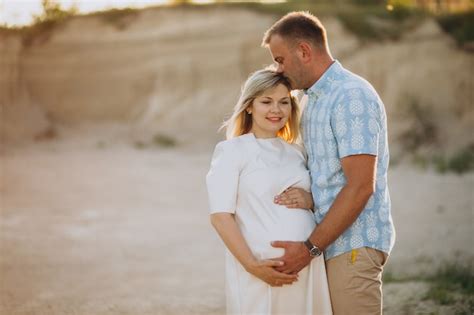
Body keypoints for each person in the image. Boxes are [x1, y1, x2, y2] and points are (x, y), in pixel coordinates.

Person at [261, 12, 396, 315]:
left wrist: (308, 249)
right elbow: (329, 177)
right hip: (328, 244)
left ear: (304, 52)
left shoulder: (350, 96)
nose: (277, 69)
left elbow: (361, 185)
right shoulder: (312, 99)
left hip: (352, 245)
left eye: (280, 59)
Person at [206, 69, 332, 315]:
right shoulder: (231, 151)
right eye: (266, 101)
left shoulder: (296, 152)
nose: (276, 109)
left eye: (284, 102)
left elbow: (318, 200)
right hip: (261, 269)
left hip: (306, 266)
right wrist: (253, 266)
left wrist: (309, 200)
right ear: (249, 106)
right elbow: (220, 217)